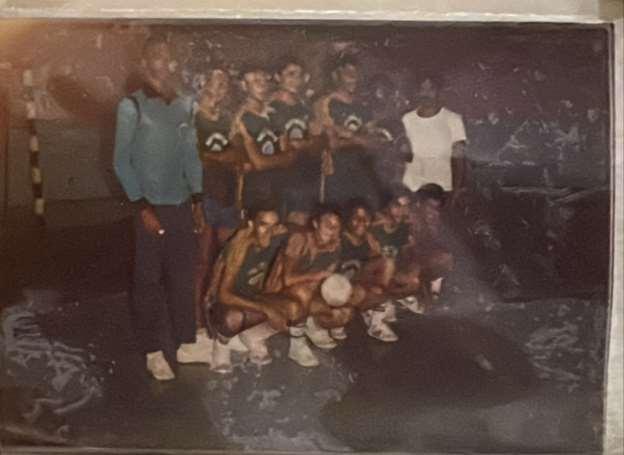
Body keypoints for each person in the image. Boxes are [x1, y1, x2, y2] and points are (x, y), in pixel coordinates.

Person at [113, 35, 207, 381]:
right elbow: (121, 162)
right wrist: (142, 207)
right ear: (144, 63)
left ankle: (186, 343)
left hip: (181, 205)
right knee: (148, 282)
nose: (163, 61)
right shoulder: (132, 106)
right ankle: (152, 351)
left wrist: (197, 198)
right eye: (155, 55)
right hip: (149, 208)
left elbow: (191, 155)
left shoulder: (185, 104)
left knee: (183, 278)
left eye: (168, 56)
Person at [207, 201, 306, 373]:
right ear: (252, 224)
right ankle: (221, 347)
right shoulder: (240, 246)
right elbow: (223, 295)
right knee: (233, 318)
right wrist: (266, 309)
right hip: (227, 304)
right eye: (263, 225)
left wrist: (303, 236)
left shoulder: (274, 236)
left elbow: (297, 228)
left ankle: (253, 336)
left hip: (254, 297)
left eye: (273, 225)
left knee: (295, 308)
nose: (269, 231)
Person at [265, 205, 357, 358]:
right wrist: (317, 276)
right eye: (327, 223)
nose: (332, 228)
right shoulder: (299, 239)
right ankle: (297, 344)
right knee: (303, 291)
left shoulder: (335, 246)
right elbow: (287, 280)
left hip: (307, 294)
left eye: (336, 226)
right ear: (315, 224)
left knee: (344, 313)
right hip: (278, 294)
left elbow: (325, 280)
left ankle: (311, 323)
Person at [193, 69, 243, 336]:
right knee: (202, 260)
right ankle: (197, 319)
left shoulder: (226, 118)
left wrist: (213, 157)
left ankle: (221, 314)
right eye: (216, 80)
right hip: (204, 195)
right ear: (202, 83)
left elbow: (238, 154)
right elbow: (193, 157)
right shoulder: (192, 117)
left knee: (227, 258)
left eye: (225, 81)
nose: (222, 85)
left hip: (228, 195)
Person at [313, 55, 384, 210]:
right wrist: (360, 140)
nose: (354, 78)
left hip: (361, 171)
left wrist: (349, 136)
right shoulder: (325, 103)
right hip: (334, 173)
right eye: (348, 73)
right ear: (336, 75)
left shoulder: (364, 105)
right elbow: (332, 144)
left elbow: (375, 142)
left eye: (357, 73)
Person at [231, 65, 296, 214]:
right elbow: (258, 163)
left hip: (279, 186)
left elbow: (290, 156)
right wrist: (281, 159)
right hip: (255, 190)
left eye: (264, 80)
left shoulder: (275, 114)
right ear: (244, 86)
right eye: (255, 81)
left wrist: (271, 160)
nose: (262, 86)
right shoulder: (241, 119)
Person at [269, 56, 326, 225]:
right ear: (278, 77)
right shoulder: (271, 106)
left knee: (307, 222)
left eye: (299, 75)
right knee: (289, 222)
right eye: (290, 74)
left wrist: (311, 142)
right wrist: (310, 142)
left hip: (306, 172)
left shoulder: (304, 106)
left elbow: (319, 139)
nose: (296, 79)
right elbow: (286, 145)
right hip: (282, 175)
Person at [401, 75, 467, 205]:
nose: (426, 94)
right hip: (412, 190)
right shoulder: (406, 119)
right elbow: (402, 157)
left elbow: (459, 161)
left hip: (441, 193)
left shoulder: (453, 120)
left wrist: (455, 193)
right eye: (422, 89)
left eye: (431, 89)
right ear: (417, 92)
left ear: (438, 91)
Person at [402, 183, 455, 312]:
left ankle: (432, 295)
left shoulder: (435, 221)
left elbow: (434, 245)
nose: (434, 212)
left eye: (437, 208)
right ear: (419, 204)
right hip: (404, 261)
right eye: (430, 207)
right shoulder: (408, 218)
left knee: (445, 258)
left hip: (421, 260)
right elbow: (405, 249)